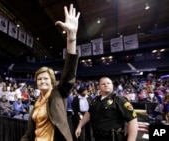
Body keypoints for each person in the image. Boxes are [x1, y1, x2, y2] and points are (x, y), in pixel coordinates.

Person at [20, 4, 80, 141]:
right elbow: (31, 131)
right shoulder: (37, 101)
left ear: (52, 80)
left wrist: (71, 38)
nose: (42, 81)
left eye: (45, 78)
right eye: (39, 79)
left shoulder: (59, 92)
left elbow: (69, 73)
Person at [75, 77, 138, 141]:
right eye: (103, 84)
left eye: (108, 83)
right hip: (97, 137)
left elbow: (132, 120)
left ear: (112, 85)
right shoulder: (95, 100)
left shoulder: (120, 100)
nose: (106, 85)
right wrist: (79, 126)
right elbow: (89, 113)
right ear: (98, 87)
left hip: (113, 138)